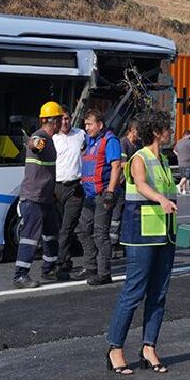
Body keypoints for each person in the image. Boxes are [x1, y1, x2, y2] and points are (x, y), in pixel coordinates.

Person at [105, 110, 177, 375]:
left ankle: (149, 347)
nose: (170, 133)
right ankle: (115, 347)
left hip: (165, 234)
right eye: (167, 129)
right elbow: (142, 185)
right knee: (134, 292)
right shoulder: (140, 157)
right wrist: (160, 198)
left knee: (158, 293)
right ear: (157, 132)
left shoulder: (165, 160)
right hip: (141, 236)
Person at [13, 102, 62, 289]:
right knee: (30, 237)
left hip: (46, 198)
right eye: (59, 119)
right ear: (53, 121)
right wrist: (35, 143)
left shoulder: (49, 139)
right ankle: (20, 275)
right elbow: (34, 144)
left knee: (51, 234)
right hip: (34, 198)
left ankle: (49, 268)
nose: (61, 123)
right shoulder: (40, 136)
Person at [78, 109, 122, 286]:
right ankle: (91, 267)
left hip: (103, 193)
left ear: (100, 125)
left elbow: (116, 166)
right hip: (89, 194)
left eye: (89, 124)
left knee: (100, 233)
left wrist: (110, 192)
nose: (86, 128)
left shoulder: (109, 141)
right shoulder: (90, 141)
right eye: (85, 124)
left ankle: (104, 273)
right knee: (83, 229)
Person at [51, 111, 86, 281]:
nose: (65, 122)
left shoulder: (80, 134)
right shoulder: (53, 138)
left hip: (75, 187)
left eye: (67, 118)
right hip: (57, 188)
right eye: (61, 119)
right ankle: (65, 260)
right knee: (60, 228)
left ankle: (61, 265)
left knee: (67, 228)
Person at [111, 118, 142, 250]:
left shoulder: (139, 144)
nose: (138, 134)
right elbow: (122, 163)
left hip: (133, 184)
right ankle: (113, 244)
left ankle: (125, 242)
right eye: (137, 131)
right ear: (131, 131)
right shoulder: (123, 142)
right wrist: (137, 166)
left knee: (130, 214)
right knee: (116, 215)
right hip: (122, 183)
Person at [174, 130, 190, 195]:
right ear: (187, 135)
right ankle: (179, 185)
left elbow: (174, 150)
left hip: (180, 162)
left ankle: (184, 190)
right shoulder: (189, 142)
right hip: (187, 162)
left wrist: (179, 155)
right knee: (187, 176)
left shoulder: (179, 142)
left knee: (183, 176)